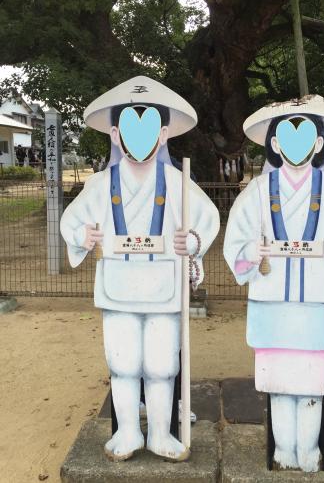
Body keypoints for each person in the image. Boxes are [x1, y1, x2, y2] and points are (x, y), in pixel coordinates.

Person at [60, 75, 220, 462]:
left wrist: (193, 243)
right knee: (123, 363)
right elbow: (70, 222)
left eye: (149, 127)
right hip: (117, 287)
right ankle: (129, 431)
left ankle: (162, 433)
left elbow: (208, 218)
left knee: (163, 365)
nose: (140, 137)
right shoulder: (99, 184)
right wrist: (85, 234)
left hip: (164, 286)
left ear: (164, 134)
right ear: (115, 134)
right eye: (130, 127)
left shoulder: (177, 181)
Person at [223, 95, 324, 472]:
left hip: (318, 303)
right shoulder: (255, 191)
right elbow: (235, 241)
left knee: (312, 383)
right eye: (286, 134)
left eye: (306, 134)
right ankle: (283, 449)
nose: (296, 143)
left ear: (320, 143)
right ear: (274, 143)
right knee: (279, 382)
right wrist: (249, 252)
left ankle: (310, 450)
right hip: (272, 304)